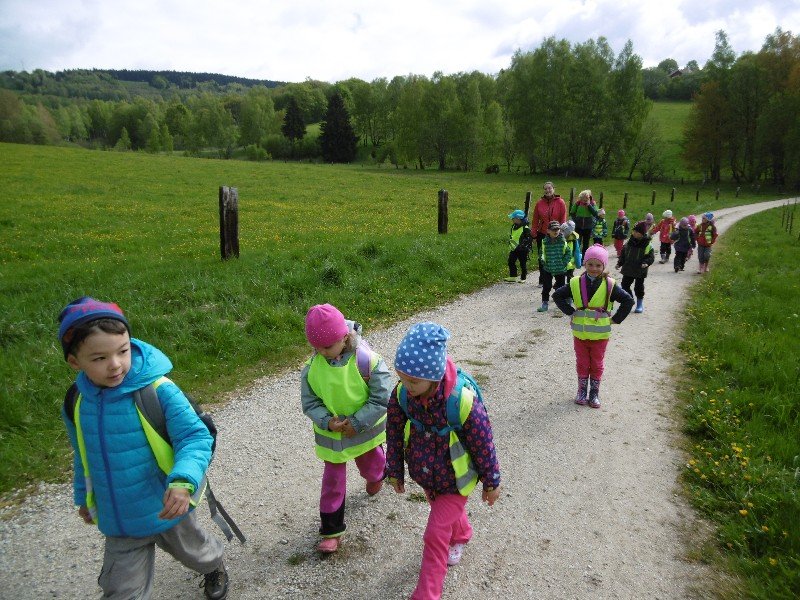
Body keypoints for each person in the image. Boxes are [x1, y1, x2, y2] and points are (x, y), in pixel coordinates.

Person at [58, 297, 229, 600]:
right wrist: (83, 497)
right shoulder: (77, 402)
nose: (115, 364)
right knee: (121, 591)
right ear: (75, 362)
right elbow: (83, 454)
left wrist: (183, 481)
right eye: (99, 358)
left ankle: (214, 566)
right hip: (120, 520)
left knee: (197, 553)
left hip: (167, 506)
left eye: (122, 351)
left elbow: (194, 437)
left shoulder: (157, 389)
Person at [385, 322, 501, 600]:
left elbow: (483, 444)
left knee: (435, 534)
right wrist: (395, 470)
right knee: (442, 513)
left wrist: (491, 481)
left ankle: (427, 594)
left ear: (434, 376)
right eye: (402, 378)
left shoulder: (462, 402)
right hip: (425, 472)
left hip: (456, 478)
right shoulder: (403, 393)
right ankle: (462, 533)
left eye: (414, 381)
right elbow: (393, 431)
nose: (407, 386)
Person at [300, 303, 392, 553]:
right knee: (332, 481)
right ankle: (331, 531)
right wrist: (326, 421)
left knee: (371, 464)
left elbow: (381, 398)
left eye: (328, 346)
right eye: (316, 347)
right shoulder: (311, 368)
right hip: (334, 437)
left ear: (344, 337)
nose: (322, 352)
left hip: (364, 432)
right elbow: (310, 403)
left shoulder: (367, 362)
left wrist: (358, 423)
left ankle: (377, 475)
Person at [552, 245, 634, 408]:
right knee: (582, 363)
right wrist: (570, 311)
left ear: (604, 266)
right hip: (580, 335)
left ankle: (594, 393)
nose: (594, 268)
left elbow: (628, 301)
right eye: (590, 264)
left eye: (598, 265)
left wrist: (616, 319)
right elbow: (557, 295)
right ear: (585, 264)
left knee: (597, 364)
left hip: (600, 336)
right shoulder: (575, 283)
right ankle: (581, 391)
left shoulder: (610, 285)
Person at [531, 182, 567, 286]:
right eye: (545, 189)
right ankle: (543, 280)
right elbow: (535, 219)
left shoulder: (560, 202)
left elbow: (563, 218)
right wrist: (534, 233)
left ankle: (558, 280)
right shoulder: (539, 203)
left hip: (556, 233)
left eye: (549, 188)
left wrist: (561, 232)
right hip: (543, 233)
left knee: (556, 256)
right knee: (542, 257)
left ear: (553, 189)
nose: (547, 190)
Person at [615, 221, 655, 313]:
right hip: (628, 268)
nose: (634, 233)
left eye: (637, 232)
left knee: (638, 288)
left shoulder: (647, 244)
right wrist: (619, 263)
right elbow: (623, 254)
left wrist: (646, 262)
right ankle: (630, 300)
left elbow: (651, 257)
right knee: (624, 285)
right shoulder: (629, 242)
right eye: (634, 231)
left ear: (642, 233)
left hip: (640, 270)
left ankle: (639, 304)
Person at [537, 220, 573, 313]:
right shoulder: (545, 242)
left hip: (560, 269)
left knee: (561, 287)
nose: (555, 231)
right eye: (553, 229)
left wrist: (564, 263)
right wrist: (543, 262)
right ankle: (545, 303)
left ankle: (565, 301)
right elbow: (541, 253)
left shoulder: (562, 241)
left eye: (557, 229)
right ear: (548, 231)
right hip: (548, 268)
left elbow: (568, 253)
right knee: (546, 286)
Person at [505, 209, 533, 283]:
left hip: (522, 250)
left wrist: (523, 245)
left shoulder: (525, 228)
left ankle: (523, 278)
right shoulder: (513, 226)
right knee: (511, 261)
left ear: (518, 218)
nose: (512, 219)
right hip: (514, 248)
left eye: (513, 218)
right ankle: (513, 276)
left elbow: (529, 239)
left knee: (523, 263)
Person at [569, 189, 599, 254]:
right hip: (578, 226)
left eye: (586, 198)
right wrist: (576, 220)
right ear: (581, 198)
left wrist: (589, 205)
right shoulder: (578, 203)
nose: (585, 200)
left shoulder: (592, 203)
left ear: (589, 197)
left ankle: (584, 256)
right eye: (583, 198)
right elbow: (572, 212)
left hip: (588, 227)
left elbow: (595, 213)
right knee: (577, 242)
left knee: (586, 243)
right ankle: (577, 256)